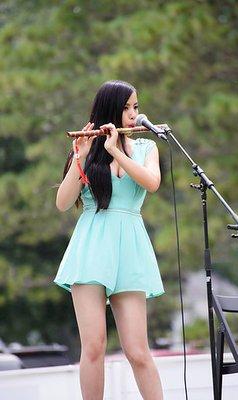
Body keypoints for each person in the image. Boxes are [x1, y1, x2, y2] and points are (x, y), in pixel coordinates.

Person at [53, 80, 165, 400]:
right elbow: (63, 202)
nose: (133, 114)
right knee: (94, 347)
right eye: (127, 108)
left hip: (129, 247)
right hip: (91, 247)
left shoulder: (145, 148)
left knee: (138, 350)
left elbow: (152, 183)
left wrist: (116, 149)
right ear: (110, 110)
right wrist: (82, 156)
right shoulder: (87, 150)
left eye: (136, 107)